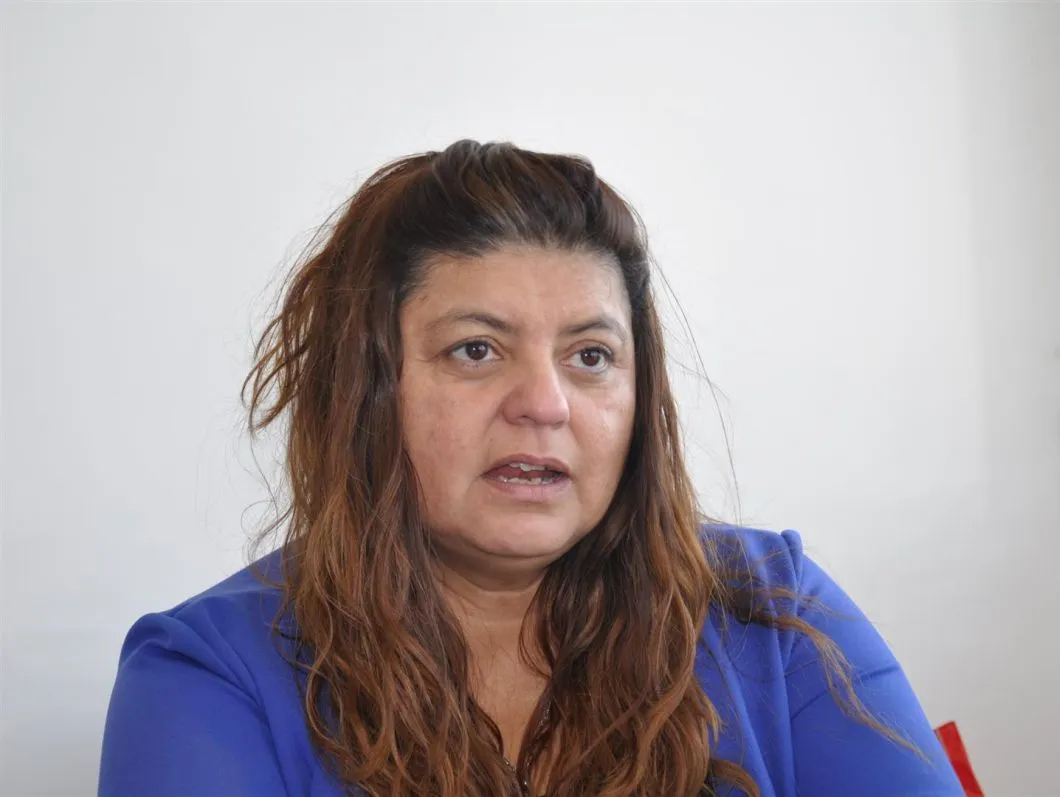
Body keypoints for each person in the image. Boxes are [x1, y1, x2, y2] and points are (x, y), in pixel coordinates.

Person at [98, 140, 963, 797]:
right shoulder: (207, 673)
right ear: (364, 389)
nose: (546, 404)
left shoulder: (776, 609)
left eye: (591, 356)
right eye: (476, 349)